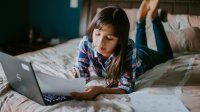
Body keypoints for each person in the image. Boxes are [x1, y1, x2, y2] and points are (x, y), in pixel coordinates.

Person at [70, 0, 173, 100]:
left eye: (109, 38)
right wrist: (76, 77)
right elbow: (82, 74)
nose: (100, 42)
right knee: (139, 45)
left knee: (167, 56)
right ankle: (140, 21)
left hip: (144, 57)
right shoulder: (86, 43)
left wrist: (99, 90)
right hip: (135, 50)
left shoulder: (128, 48)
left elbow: (126, 88)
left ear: (120, 39)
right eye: (97, 34)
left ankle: (154, 18)